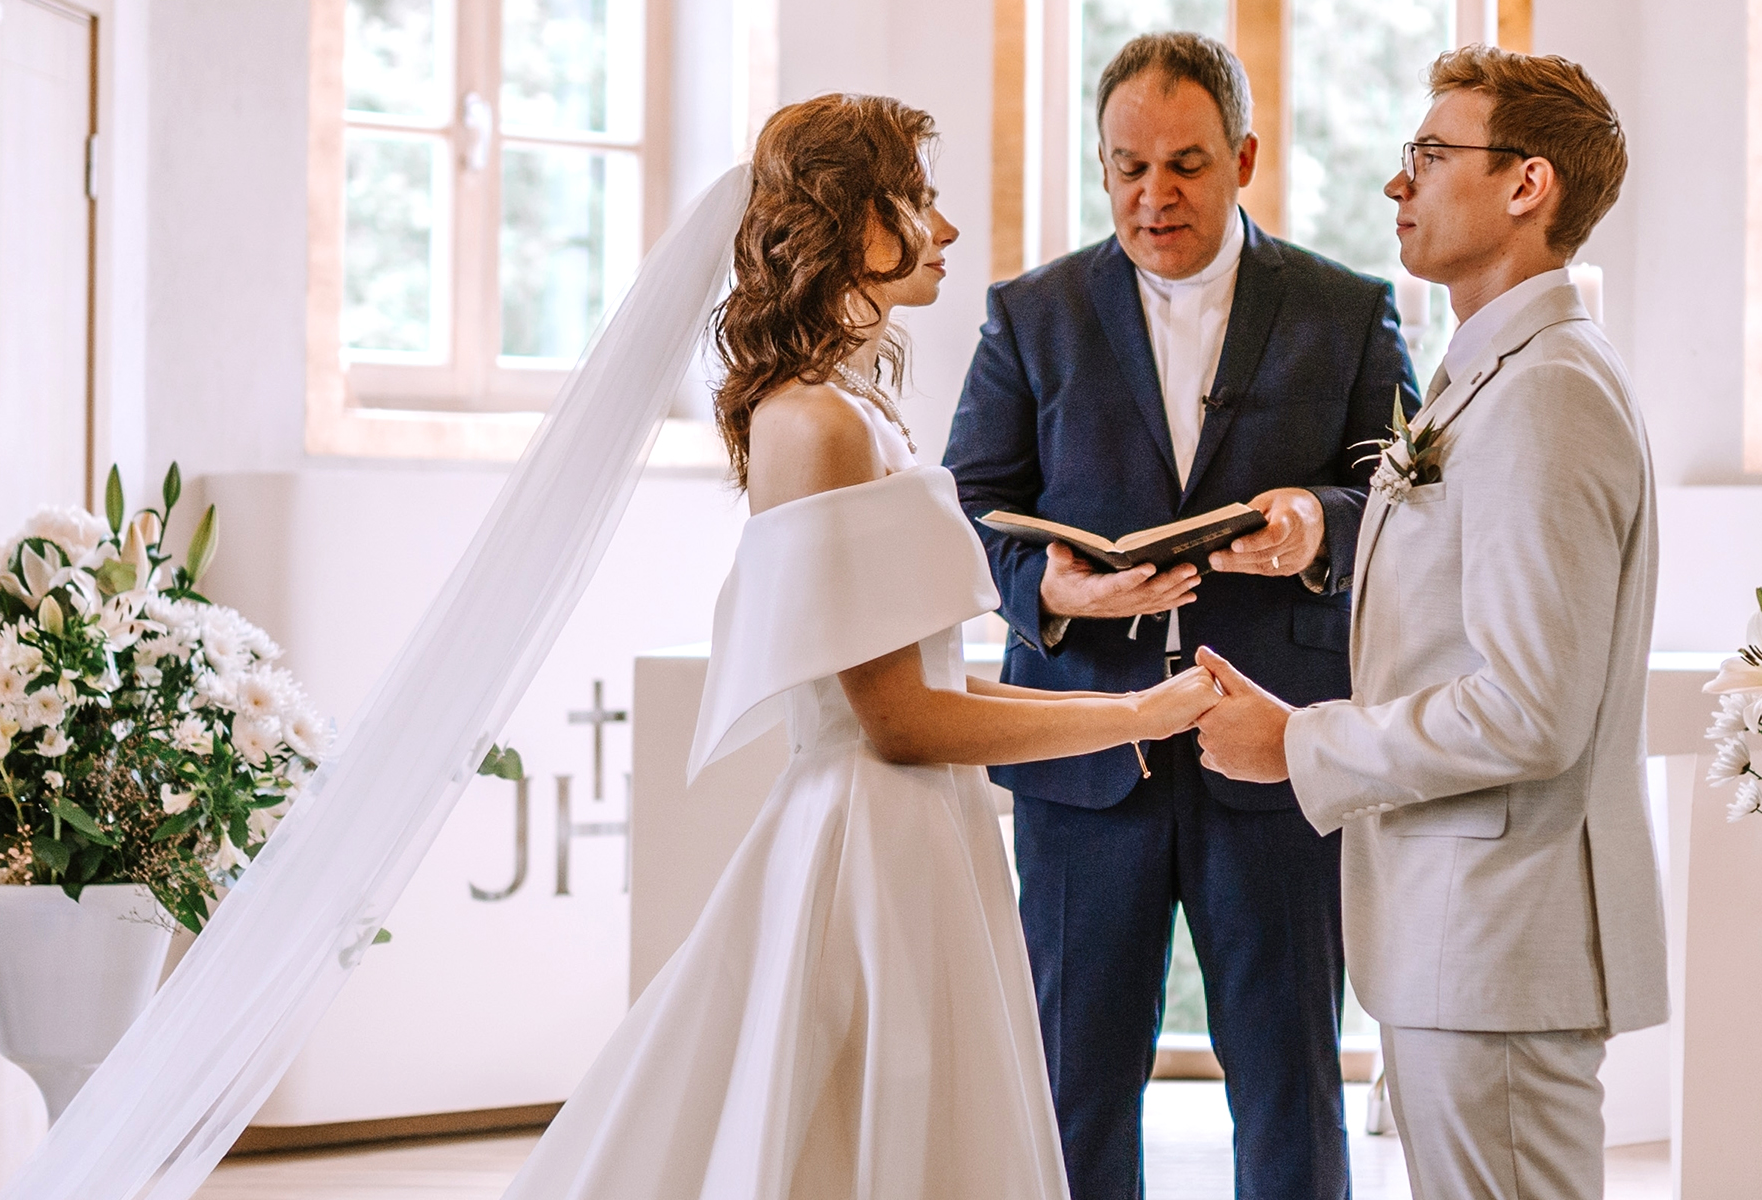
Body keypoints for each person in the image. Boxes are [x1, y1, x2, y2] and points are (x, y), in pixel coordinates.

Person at [501, 94, 1223, 1200]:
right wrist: (1133, 715)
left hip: (921, 830)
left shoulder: (852, 411)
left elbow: (920, 682)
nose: (944, 230)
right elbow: (896, 719)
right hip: (868, 843)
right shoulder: (817, 425)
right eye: (919, 200)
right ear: (853, 220)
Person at [943, 31, 1416, 1200]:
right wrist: (1051, 589)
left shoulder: (1347, 309)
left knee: (1289, 1076)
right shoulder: (1031, 311)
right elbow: (966, 500)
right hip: (1081, 752)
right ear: (1102, 169)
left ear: (1244, 156)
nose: (1154, 195)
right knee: (1074, 1082)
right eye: (1128, 167)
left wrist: (1316, 521)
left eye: (1187, 165)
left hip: (1274, 745)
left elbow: (1409, 495)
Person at [1193, 47, 1669, 1200]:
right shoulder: (1491, 375)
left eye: (1428, 156)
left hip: (1499, 941)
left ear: (1526, 186)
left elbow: (1529, 711)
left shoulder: (1547, 392)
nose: (1396, 186)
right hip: (1460, 940)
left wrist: (1298, 743)